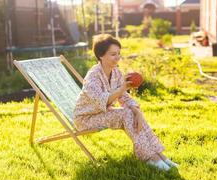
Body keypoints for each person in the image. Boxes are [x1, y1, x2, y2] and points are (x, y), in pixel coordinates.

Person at [73, 34, 178, 171]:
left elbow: (124, 98)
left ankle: (160, 156)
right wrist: (122, 88)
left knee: (132, 113)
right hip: (86, 118)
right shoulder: (92, 77)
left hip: (102, 114)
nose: (117, 57)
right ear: (101, 56)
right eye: (113, 54)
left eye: (119, 53)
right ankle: (149, 158)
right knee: (125, 115)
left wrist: (137, 111)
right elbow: (103, 100)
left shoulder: (116, 73)